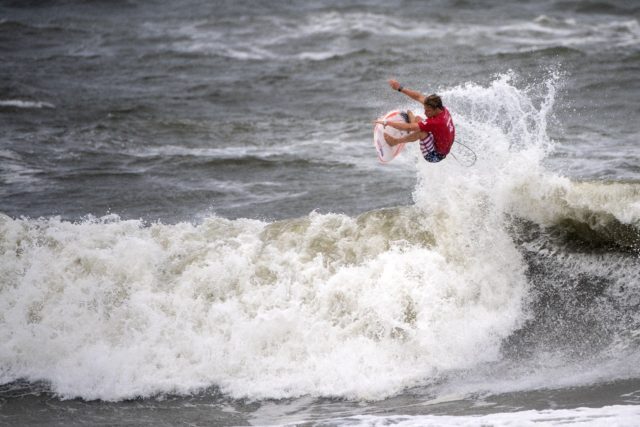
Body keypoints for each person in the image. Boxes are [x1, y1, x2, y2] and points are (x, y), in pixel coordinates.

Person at [374, 79, 455, 163]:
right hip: (440, 144)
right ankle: (413, 125)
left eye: (428, 111)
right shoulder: (443, 109)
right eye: (425, 109)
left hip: (434, 155)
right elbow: (419, 97)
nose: (425, 112)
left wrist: (387, 123)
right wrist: (400, 88)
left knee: (421, 132)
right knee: (418, 119)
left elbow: (410, 127)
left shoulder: (437, 122)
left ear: (436, 109)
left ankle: (394, 141)